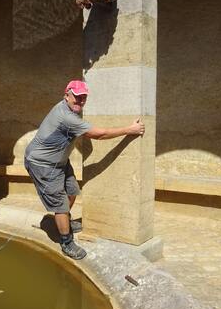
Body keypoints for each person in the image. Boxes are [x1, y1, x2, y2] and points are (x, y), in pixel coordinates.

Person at [24, 79, 145, 260]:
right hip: (43, 165)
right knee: (60, 204)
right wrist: (130, 129)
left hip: (59, 162)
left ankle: (63, 220)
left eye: (83, 98)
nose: (80, 101)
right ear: (66, 95)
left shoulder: (72, 110)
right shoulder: (66, 116)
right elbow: (99, 134)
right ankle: (66, 241)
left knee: (72, 191)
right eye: (77, 97)